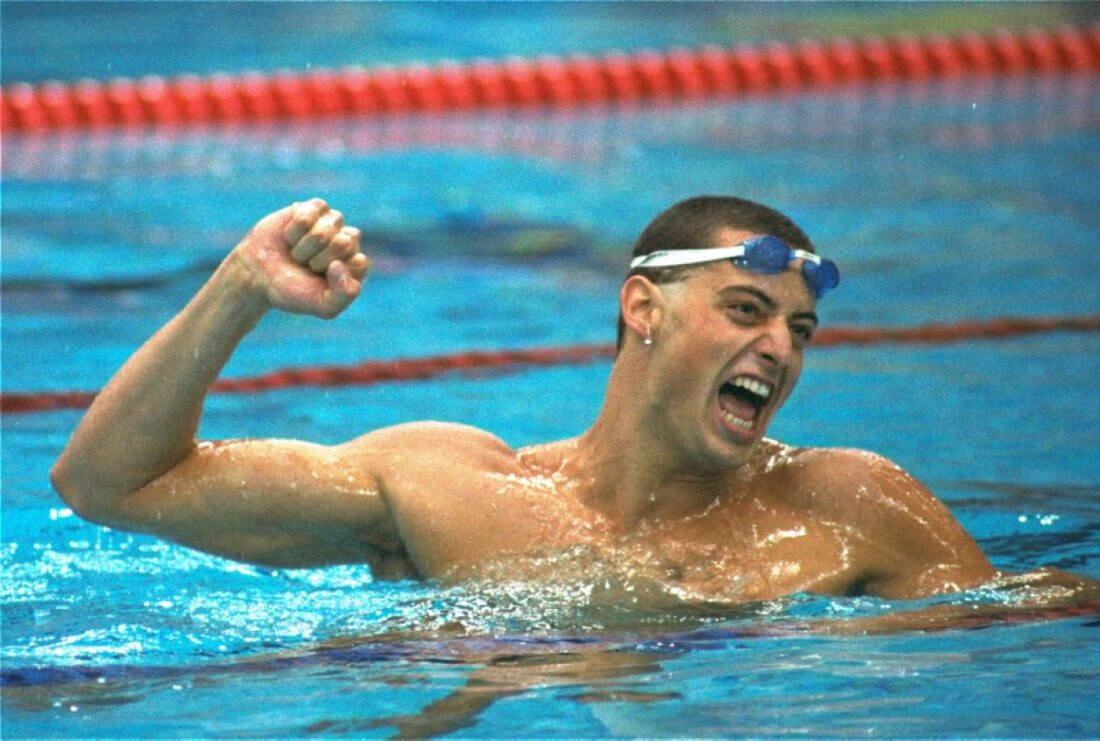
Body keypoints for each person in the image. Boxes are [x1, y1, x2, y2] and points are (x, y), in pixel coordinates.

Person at [48, 196, 1086, 604]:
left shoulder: (848, 503)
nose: (779, 348)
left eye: (799, 330)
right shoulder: (448, 486)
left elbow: (1026, 620)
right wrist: (238, 291)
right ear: (642, 308)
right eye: (745, 310)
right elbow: (106, 485)